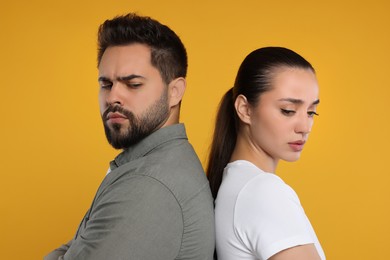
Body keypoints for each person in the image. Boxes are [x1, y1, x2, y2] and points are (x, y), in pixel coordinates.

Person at [45, 13, 215, 260]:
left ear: (175, 92)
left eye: (133, 84)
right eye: (106, 84)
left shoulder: (149, 185)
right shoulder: (150, 166)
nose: (113, 97)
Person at [207, 47, 326, 260]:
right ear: (245, 109)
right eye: (288, 110)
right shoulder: (263, 191)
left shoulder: (237, 185)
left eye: (311, 112)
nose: (305, 127)